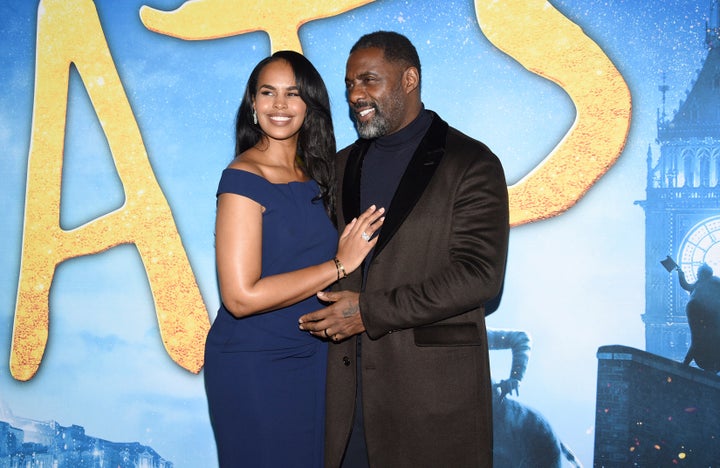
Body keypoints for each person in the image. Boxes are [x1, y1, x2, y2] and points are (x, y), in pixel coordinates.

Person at [299, 31, 510, 467]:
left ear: (409, 79)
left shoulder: (471, 162)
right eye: (350, 83)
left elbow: (480, 275)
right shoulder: (340, 167)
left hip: (431, 402)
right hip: (345, 402)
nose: (356, 94)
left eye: (369, 80)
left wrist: (368, 312)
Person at [203, 50, 385, 468]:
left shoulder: (317, 176)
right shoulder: (242, 178)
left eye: (293, 94)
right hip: (255, 361)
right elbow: (240, 297)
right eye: (268, 93)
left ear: (311, 105)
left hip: (314, 359)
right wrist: (339, 264)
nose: (280, 105)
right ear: (253, 103)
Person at [676, 263, 720, 372]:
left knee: (697, 338)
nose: (697, 275)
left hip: (695, 311)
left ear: (703, 274)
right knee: (701, 337)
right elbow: (686, 285)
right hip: (707, 314)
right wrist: (681, 274)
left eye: (698, 273)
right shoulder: (714, 283)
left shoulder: (702, 283)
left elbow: (686, 286)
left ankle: (686, 361)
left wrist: (681, 275)